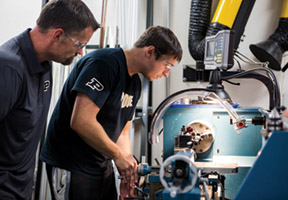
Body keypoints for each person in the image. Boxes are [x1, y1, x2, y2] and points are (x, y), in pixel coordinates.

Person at [40, 25, 182, 200]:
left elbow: (122, 132)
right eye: (167, 64)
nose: (167, 73)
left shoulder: (134, 83)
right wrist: (118, 155)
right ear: (150, 51)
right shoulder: (104, 64)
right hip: (72, 163)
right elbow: (81, 121)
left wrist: (127, 174)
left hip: (101, 164)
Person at [0, 0, 99, 199]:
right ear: (58, 35)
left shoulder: (45, 65)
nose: (80, 52)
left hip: (22, 188)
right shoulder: (9, 67)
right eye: (79, 44)